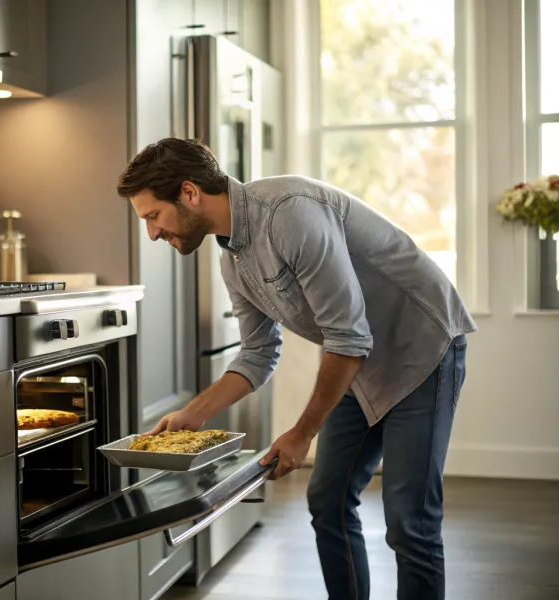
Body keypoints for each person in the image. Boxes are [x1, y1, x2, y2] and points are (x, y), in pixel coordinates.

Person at [116, 137, 477, 600]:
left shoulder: (289, 211)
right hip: (358, 366)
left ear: (188, 193)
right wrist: (196, 412)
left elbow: (347, 337)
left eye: (152, 217)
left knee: (410, 520)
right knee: (327, 500)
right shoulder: (234, 261)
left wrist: (301, 432)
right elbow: (257, 353)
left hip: (421, 351)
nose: (152, 233)